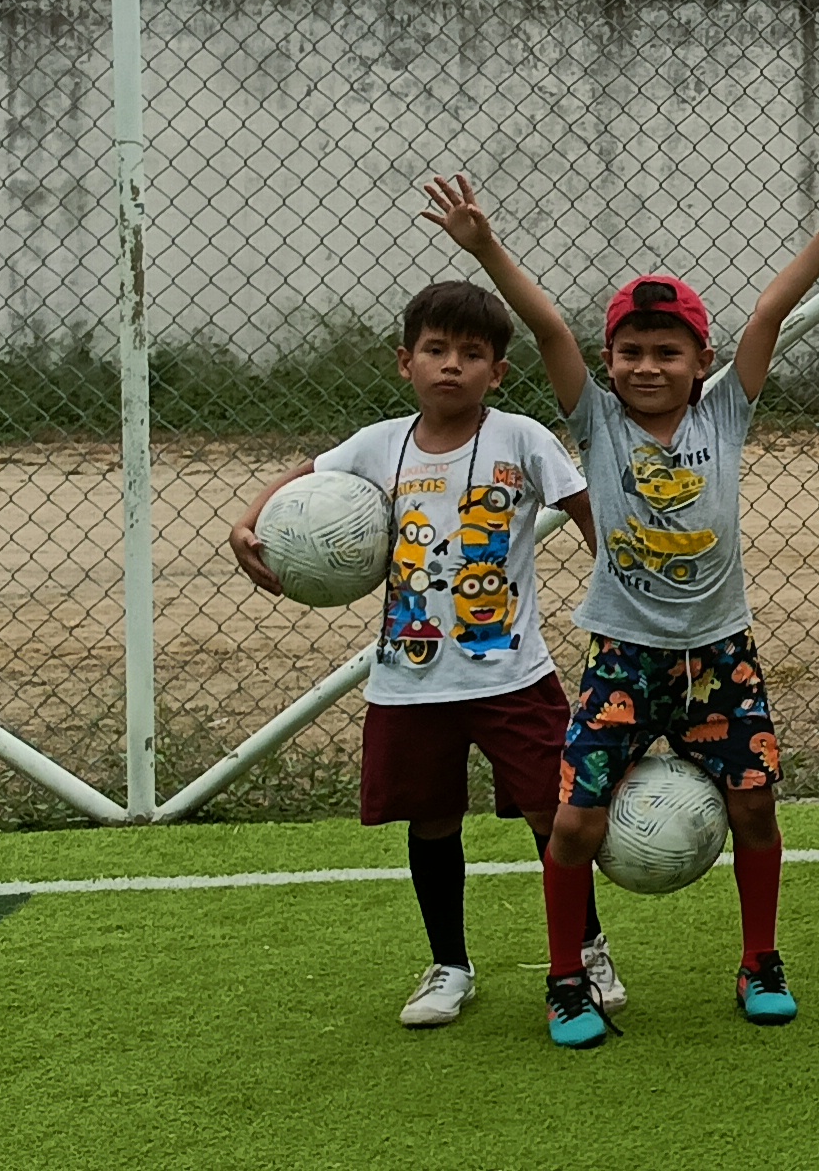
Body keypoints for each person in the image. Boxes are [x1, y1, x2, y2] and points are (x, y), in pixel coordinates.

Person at [430, 162, 819, 1046]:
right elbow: (547, 323)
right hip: (622, 657)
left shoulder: (725, 415)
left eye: (667, 351)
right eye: (631, 352)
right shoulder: (596, 421)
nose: (648, 366)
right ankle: (567, 980)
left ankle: (760, 962)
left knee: (754, 808)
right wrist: (486, 249)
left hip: (721, 655)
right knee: (574, 822)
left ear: (702, 363)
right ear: (608, 364)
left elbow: (769, 312)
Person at [228, 274, 600, 1031]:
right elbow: (305, 475)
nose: (451, 364)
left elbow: (584, 505)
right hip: (410, 679)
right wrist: (247, 521)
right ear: (406, 362)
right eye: (435, 350)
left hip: (513, 674)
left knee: (551, 814)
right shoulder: (377, 445)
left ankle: (585, 951)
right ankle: (449, 965)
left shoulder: (521, 438)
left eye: (472, 353)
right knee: (430, 822)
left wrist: (618, 591)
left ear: (498, 372)